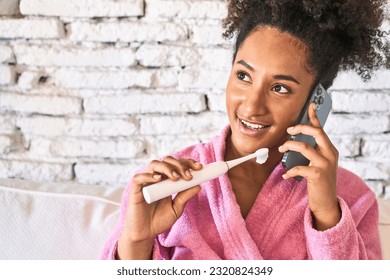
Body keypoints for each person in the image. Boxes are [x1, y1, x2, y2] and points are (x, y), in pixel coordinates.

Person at [102, 0, 389, 260]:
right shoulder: (161, 186)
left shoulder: (353, 200)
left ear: (316, 101)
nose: (252, 107)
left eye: (280, 88)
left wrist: (327, 215)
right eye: (243, 76)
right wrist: (137, 240)